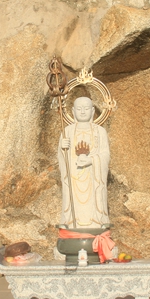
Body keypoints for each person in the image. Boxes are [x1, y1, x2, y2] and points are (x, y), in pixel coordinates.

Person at [58, 96, 110, 229]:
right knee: (72, 200)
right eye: (79, 109)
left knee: (95, 201)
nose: (82, 112)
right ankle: (70, 224)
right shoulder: (67, 131)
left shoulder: (100, 131)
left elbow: (105, 155)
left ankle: (97, 225)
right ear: (73, 111)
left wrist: (91, 160)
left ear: (93, 111)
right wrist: (62, 148)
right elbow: (62, 159)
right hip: (74, 178)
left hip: (93, 178)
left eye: (86, 108)